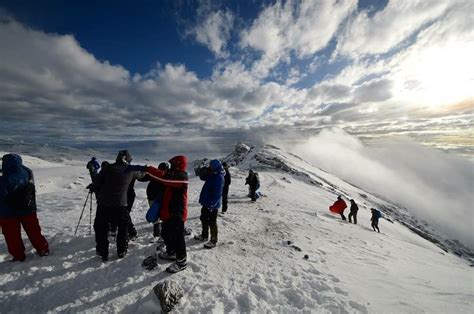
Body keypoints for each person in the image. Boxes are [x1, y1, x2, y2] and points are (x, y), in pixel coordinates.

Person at [91, 150, 145, 261]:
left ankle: (102, 251)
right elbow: (142, 176)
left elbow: (97, 181)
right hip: (121, 204)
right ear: (128, 159)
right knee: (123, 226)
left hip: (103, 203)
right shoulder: (131, 170)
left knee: (101, 227)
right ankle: (121, 250)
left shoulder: (108, 168)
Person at [0, 154, 49, 261]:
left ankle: (19, 256)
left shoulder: (3, 180)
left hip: (9, 213)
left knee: (12, 236)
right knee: (34, 231)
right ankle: (43, 249)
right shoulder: (27, 172)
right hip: (29, 208)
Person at [145, 156, 189, 273]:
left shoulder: (181, 176)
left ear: (178, 164)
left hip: (177, 212)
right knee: (165, 232)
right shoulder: (173, 174)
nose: (171, 166)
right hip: (168, 212)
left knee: (178, 237)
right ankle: (171, 252)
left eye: (173, 163)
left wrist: (147, 168)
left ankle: (181, 261)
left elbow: (165, 179)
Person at [194, 159, 225, 248]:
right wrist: (202, 172)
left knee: (212, 222)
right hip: (206, 201)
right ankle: (204, 236)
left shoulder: (219, 176)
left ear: (215, 166)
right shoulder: (212, 173)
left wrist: (212, 204)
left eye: (211, 166)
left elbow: (218, 193)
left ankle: (213, 240)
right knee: (203, 218)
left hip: (212, 204)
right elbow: (203, 178)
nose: (210, 167)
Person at [143, 162, 169, 241]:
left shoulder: (156, 174)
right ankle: (158, 234)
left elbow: (143, 178)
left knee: (157, 216)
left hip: (154, 198)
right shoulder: (165, 176)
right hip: (156, 198)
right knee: (159, 216)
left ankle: (158, 234)